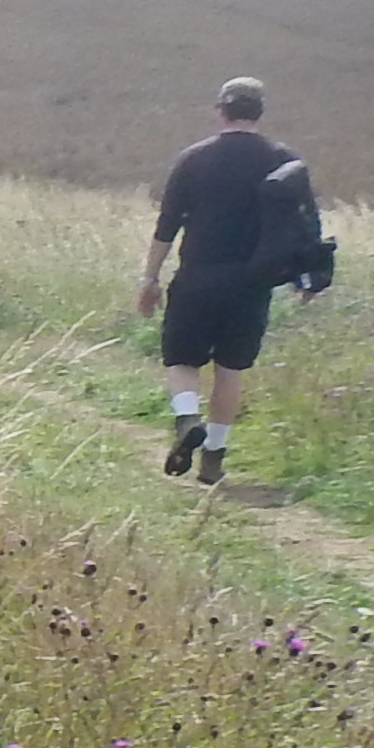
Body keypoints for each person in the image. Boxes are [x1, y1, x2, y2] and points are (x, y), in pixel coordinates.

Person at [139, 74, 322, 484]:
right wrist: (306, 278)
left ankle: (187, 419)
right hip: (253, 284)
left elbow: (167, 225)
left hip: (197, 277)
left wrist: (149, 278)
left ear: (220, 110)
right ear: (259, 112)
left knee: (182, 360)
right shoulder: (284, 161)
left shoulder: (193, 159)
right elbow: (303, 226)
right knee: (230, 369)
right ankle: (214, 458)